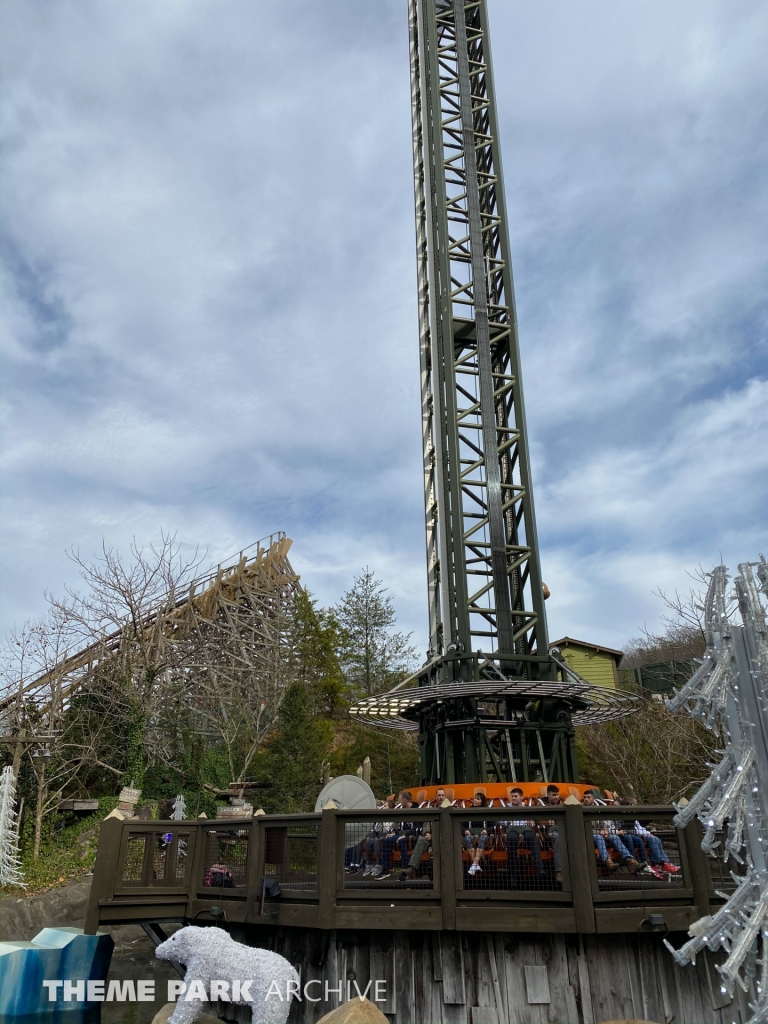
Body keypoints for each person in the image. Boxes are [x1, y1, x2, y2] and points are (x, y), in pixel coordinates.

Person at [617, 797, 681, 878]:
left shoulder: (633, 815)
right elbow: (631, 829)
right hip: (631, 835)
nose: (636, 806)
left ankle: (666, 863)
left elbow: (639, 827)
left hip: (639, 833)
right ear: (629, 804)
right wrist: (646, 835)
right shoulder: (624, 815)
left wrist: (648, 833)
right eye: (635, 804)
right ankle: (657, 862)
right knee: (651, 839)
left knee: (656, 839)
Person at [378, 791, 421, 880]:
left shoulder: (416, 809)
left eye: (400, 800)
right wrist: (394, 833)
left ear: (405, 800)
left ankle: (404, 872)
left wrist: (405, 835)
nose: (398, 802)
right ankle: (386, 868)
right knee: (386, 840)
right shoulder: (402, 809)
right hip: (402, 835)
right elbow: (400, 827)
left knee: (402, 841)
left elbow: (418, 827)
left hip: (412, 836)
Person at [504, 787, 543, 878]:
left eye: (515, 796)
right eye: (512, 796)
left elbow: (533, 822)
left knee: (531, 837)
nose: (513, 798)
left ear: (521, 797)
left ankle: (540, 869)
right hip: (512, 828)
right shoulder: (507, 807)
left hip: (525, 828)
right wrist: (506, 821)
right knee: (512, 838)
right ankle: (513, 872)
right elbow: (499, 821)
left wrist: (531, 822)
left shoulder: (527, 808)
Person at [363, 799, 396, 878]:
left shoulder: (394, 817)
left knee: (376, 841)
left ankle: (378, 864)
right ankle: (369, 864)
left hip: (387, 836)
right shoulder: (382, 816)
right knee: (368, 842)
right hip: (380, 835)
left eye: (385, 806)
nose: (383, 808)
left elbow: (390, 829)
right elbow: (377, 830)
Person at [540, 784, 563, 883]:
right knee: (558, 837)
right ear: (548, 795)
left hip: (563, 829)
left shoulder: (562, 804)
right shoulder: (540, 805)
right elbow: (537, 821)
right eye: (554, 795)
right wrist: (547, 822)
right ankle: (559, 871)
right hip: (548, 833)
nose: (556, 797)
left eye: (557, 794)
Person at [462, 793, 490, 876]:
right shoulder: (468, 811)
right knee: (467, 838)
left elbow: (493, 826)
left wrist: (486, 830)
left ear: (482, 801)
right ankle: (475, 865)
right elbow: (462, 826)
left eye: (477, 799)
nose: (475, 800)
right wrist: (465, 831)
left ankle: (474, 865)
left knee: (483, 838)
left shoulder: (487, 811)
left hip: (483, 835)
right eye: (474, 798)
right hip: (471, 834)